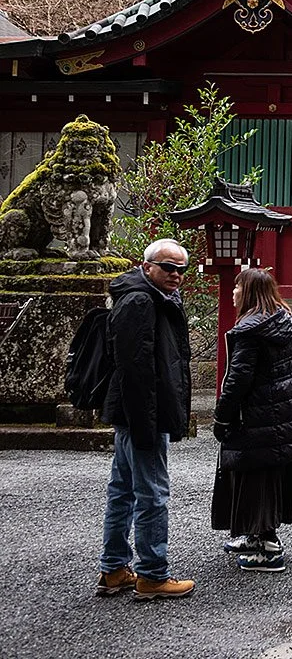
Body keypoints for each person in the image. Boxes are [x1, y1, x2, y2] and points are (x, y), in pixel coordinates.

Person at [97, 238, 195, 600]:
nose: (175, 275)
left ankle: (114, 568)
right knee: (152, 493)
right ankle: (153, 573)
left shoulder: (151, 297)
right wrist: (147, 422)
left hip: (136, 410)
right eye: (168, 267)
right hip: (143, 412)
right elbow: (135, 368)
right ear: (147, 266)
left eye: (181, 269)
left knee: (122, 490)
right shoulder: (141, 301)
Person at [211, 268, 292, 573]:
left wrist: (223, 416)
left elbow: (238, 379)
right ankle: (254, 534)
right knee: (272, 474)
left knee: (253, 476)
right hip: (285, 411)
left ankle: (266, 544)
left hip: (257, 414)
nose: (233, 292)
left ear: (249, 293)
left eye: (237, 287)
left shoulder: (250, 330)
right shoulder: (285, 320)